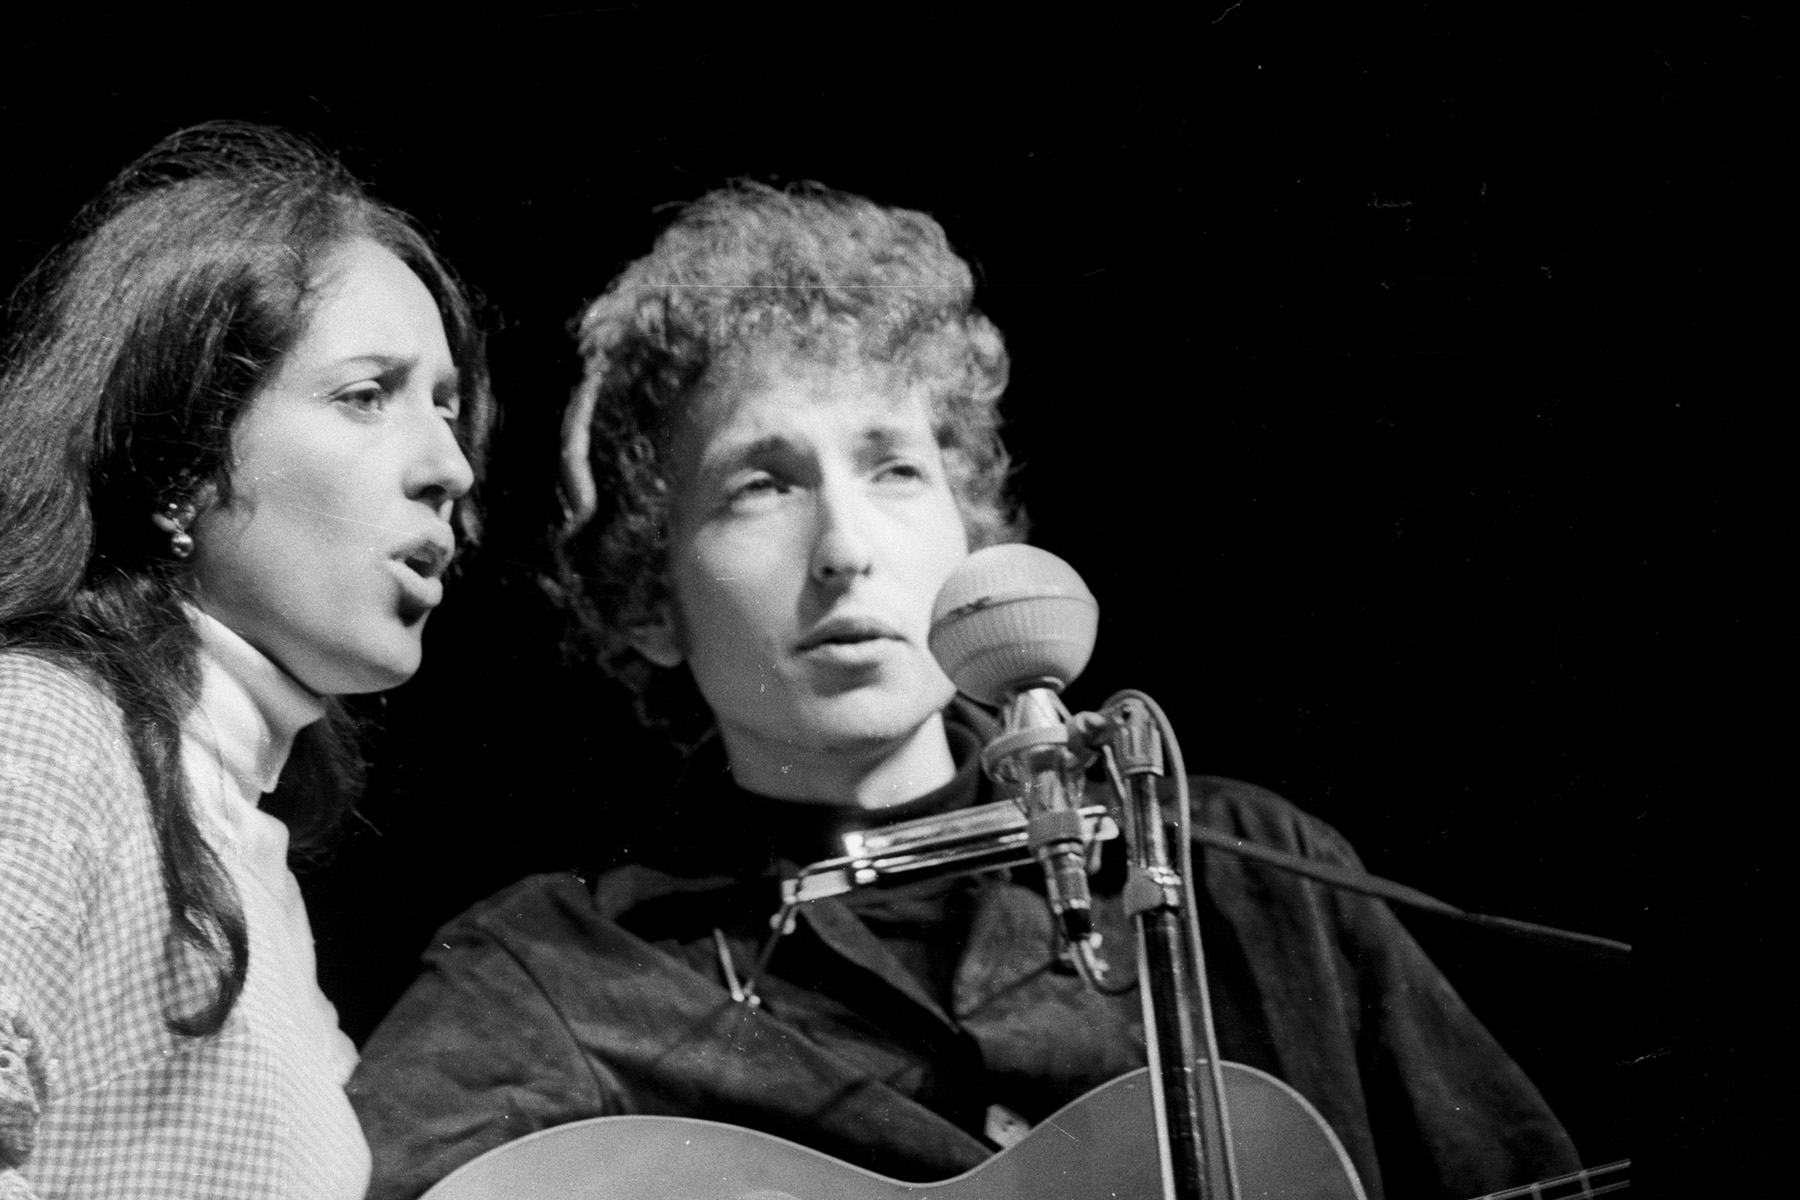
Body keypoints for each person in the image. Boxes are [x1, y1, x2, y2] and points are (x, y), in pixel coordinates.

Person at [348, 183, 1578, 1199]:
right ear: (648, 601)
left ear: (969, 534)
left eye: (893, 470)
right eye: (762, 486)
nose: (846, 549)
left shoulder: (1247, 878)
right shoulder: (559, 973)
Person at [0, 122, 492, 1199]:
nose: (449, 466)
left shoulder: (238, 849)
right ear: (180, 456)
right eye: (368, 395)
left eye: (447, 407)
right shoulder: (41, 730)